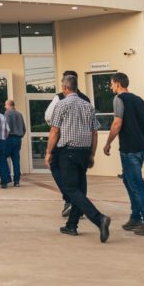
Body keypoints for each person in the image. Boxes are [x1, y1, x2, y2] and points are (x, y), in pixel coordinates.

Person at [46, 74, 111, 243]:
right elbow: (94, 132)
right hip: (84, 151)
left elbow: (54, 131)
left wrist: (48, 152)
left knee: (71, 189)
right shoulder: (87, 105)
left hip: (68, 152)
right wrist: (91, 154)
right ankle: (71, 225)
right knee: (80, 190)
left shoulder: (61, 104)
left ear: (65, 88)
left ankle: (99, 219)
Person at [103, 72, 144, 237]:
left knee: (137, 186)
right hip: (141, 149)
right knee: (128, 181)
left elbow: (117, 123)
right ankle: (135, 218)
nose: (110, 86)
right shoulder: (139, 100)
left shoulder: (119, 99)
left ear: (118, 83)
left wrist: (108, 143)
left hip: (129, 150)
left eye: (112, 83)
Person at [46, 71, 92, 217]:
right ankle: (76, 215)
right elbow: (93, 129)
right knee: (80, 177)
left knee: (57, 168)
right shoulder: (86, 100)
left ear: (66, 85)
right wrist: (92, 152)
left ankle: (71, 200)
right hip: (84, 146)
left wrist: (48, 151)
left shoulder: (60, 98)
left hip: (65, 144)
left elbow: (50, 119)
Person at [4, 99, 26, 187]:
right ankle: (17, 181)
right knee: (16, 161)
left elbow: (6, 127)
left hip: (9, 138)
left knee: (3, 158)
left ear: (9, 105)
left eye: (5, 105)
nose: (5, 107)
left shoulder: (7, 113)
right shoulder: (20, 114)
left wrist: (4, 138)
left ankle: (7, 178)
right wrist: (20, 136)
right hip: (18, 139)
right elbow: (24, 129)